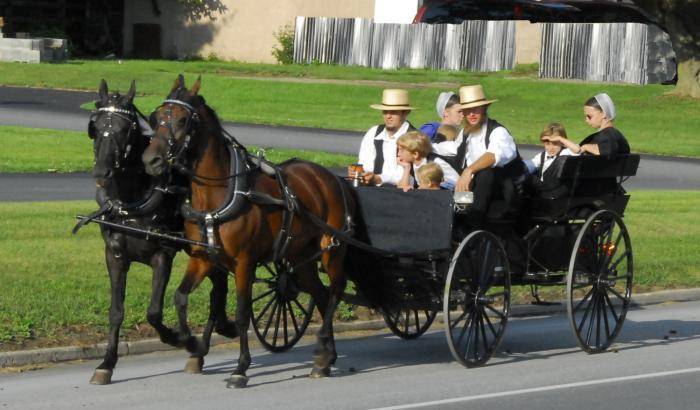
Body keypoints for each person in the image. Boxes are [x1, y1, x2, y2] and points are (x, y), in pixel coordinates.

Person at [434, 85, 526, 225]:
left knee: (485, 173)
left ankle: (473, 222)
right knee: (448, 173)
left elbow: (494, 155)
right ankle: (457, 220)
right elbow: (454, 149)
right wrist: (426, 146)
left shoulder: (498, 132)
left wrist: (469, 170)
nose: (471, 114)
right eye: (468, 110)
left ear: (484, 109)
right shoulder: (467, 132)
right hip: (472, 188)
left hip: (504, 193)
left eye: (475, 109)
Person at [352, 89, 416, 186]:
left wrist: (377, 178)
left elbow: (406, 177)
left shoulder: (414, 138)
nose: (388, 116)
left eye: (393, 112)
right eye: (385, 111)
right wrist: (359, 173)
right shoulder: (373, 132)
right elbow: (364, 163)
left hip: (402, 194)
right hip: (372, 190)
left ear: (405, 113)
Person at [524, 123, 580, 199]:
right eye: (547, 144)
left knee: (528, 178)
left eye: (555, 144)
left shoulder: (565, 152)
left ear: (562, 143)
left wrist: (560, 139)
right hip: (543, 189)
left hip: (555, 190)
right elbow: (532, 164)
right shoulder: (543, 155)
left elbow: (577, 150)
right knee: (522, 174)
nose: (551, 147)